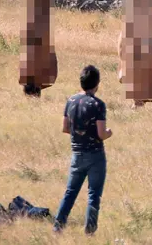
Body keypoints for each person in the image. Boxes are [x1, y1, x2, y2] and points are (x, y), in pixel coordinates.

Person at [54, 65, 112, 235]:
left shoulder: (71, 101)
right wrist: (109, 133)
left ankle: (58, 226)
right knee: (93, 195)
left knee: (70, 192)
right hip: (95, 155)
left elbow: (65, 128)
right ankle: (90, 231)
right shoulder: (98, 104)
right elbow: (101, 134)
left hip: (76, 154)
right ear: (97, 84)